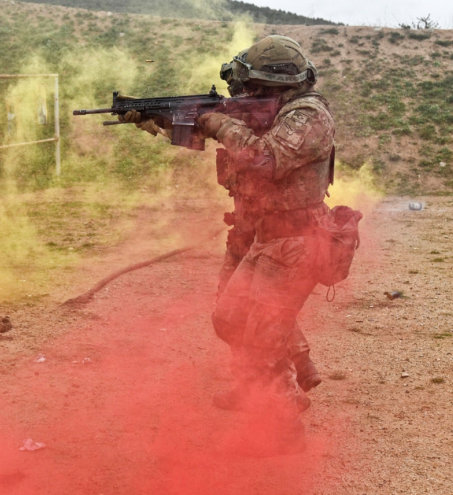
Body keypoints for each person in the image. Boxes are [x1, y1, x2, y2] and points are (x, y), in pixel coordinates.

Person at [121, 35, 336, 454]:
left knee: (262, 336)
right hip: (261, 235)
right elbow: (220, 139)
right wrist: (166, 121)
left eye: (250, 87)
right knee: (230, 318)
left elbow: (265, 159)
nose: (242, 93)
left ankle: (283, 422)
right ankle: (256, 388)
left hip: (295, 242)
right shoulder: (265, 115)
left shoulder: (308, 115)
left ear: (270, 86)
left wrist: (217, 121)